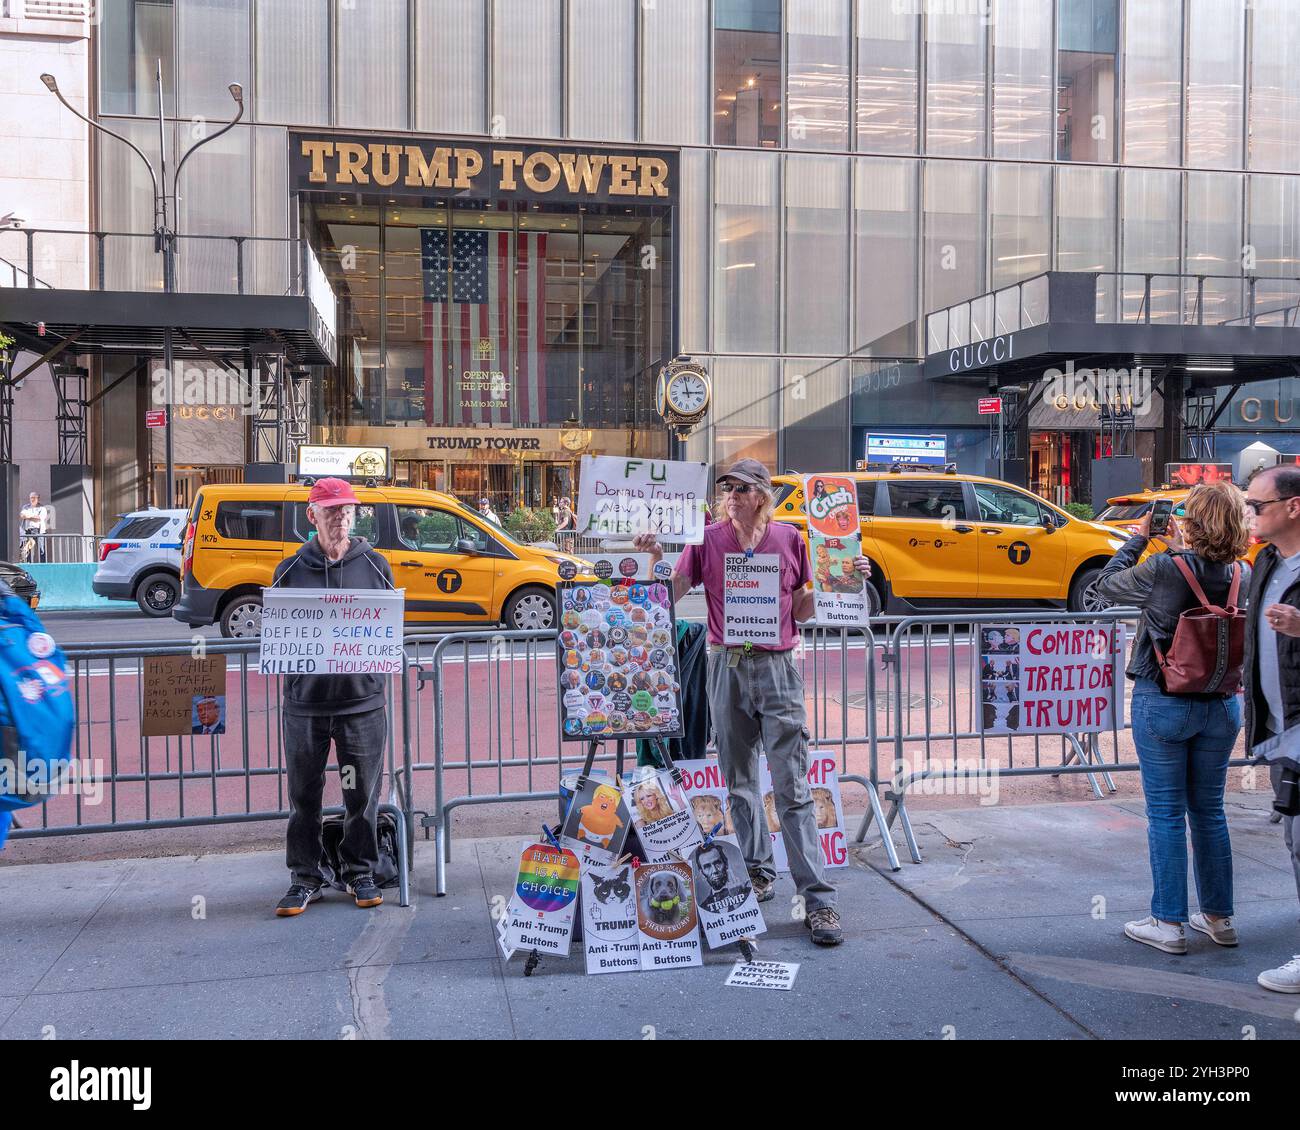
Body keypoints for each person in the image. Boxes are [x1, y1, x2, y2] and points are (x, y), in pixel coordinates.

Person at [634, 458, 872, 946]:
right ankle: (759, 874)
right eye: (728, 489)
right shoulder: (706, 538)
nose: (732, 495)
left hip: (778, 667)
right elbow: (670, 594)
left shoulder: (789, 539)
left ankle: (819, 900)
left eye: (741, 489)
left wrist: (843, 578)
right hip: (727, 665)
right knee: (739, 783)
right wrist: (656, 556)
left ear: (762, 495)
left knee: (793, 786)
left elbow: (803, 608)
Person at [1096, 482, 1251, 955]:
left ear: (1193, 521)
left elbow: (1105, 586)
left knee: (1164, 813)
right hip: (1223, 703)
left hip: (1164, 698)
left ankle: (1168, 923)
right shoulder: (1243, 570)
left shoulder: (1166, 567)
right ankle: (1219, 917)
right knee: (1209, 811)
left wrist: (1139, 539)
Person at [271, 477, 396, 917]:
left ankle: (359, 870)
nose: (340, 517)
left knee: (360, 795)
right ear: (313, 515)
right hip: (305, 706)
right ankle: (305, 877)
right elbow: (279, 635)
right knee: (304, 796)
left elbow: (389, 632)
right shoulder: (287, 571)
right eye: (331, 510)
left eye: (346, 509)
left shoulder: (377, 565)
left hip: (361, 704)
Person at [1241, 464, 1300, 993]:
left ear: (1293, 506)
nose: (1250, 514)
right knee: (1295, 839)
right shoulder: (1265, 561)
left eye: (1257, 506)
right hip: (1282, 731)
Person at [18, 492, 49, 563]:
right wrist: (33, 516)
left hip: (38, 531)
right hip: (27, 530)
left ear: (38, 499)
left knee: (41, 549)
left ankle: (43, 564)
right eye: (31, 497)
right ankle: (28, 563)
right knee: (27, 548)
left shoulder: (42, 508)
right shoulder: (25, 507)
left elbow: (39, 518)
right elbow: (22, 516)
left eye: (34, 498)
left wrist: (28, 516)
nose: (33, 499)